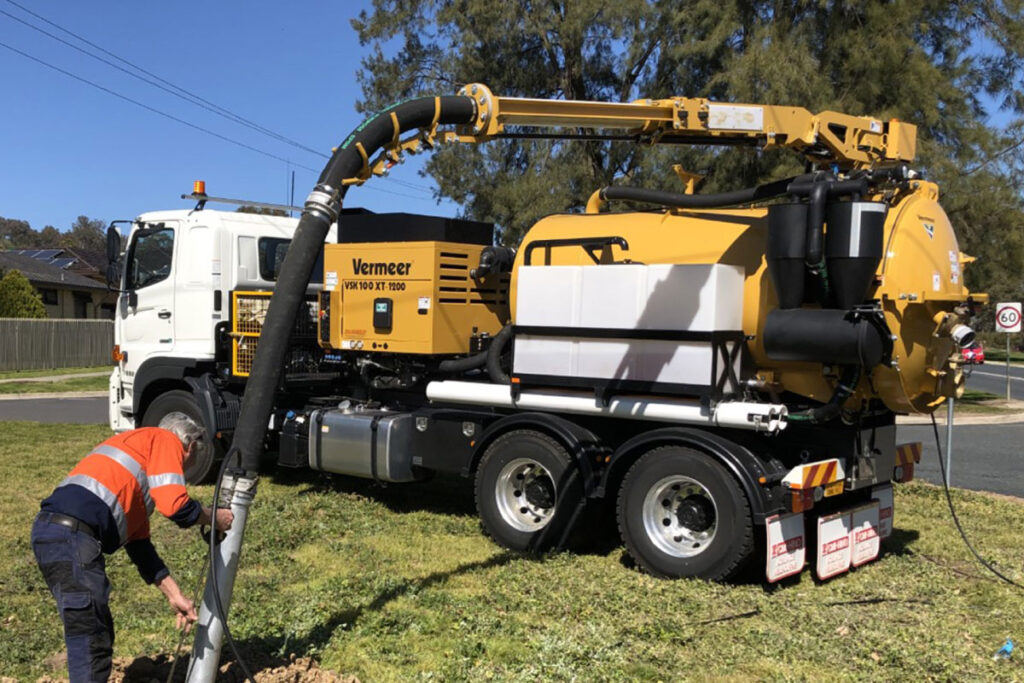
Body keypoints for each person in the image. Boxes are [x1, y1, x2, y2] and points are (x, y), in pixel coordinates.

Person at [30, 413, 233, 682]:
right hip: (72, 536)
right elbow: (176, 507)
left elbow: (140, 548)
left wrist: (174, 595)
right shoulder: (165, 439)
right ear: (191, 445)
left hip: (53, 533)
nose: (186, 471)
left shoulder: (134, 469)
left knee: (94, 629)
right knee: (90, 636)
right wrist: (214, 517)